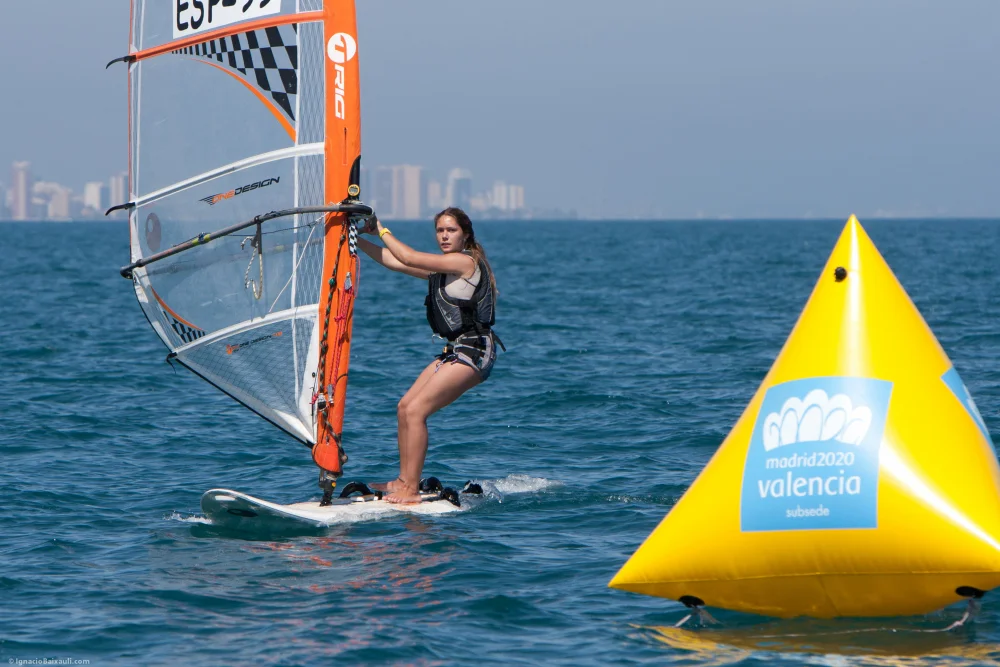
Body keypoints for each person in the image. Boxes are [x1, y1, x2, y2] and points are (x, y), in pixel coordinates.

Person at [357, 207, 501, 503]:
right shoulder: (444, 268)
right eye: (440, 231)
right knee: (404, 407)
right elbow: (395, 262)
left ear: (466, 235)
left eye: (451, 230)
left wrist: (380, 228)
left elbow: (408, 256)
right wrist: (354, 240)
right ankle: (403, 480)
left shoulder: (464, 262)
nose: (444, 236)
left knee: (416, 411)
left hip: (475, 350)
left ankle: (410, 489)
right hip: (457, 349)